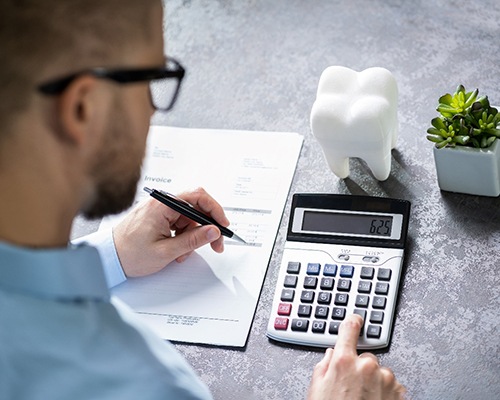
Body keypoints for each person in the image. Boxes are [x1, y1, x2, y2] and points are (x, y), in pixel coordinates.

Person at [0, 0, 406, 399]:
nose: (152, 112)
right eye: (151, 80)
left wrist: (113, 254)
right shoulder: (141, 384)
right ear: (84, 109)